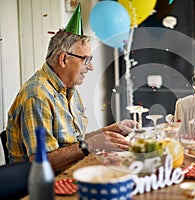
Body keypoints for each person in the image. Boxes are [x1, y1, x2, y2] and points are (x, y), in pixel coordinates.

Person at [5, 3, 134, 173]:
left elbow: (73, 143)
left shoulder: (68, 89)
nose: (91, 67)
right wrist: (92, 144)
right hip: (41, 186)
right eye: (86, 60)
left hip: (71, 171)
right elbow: (41, 161)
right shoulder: (37, 96)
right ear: (64, 59)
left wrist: (107, 132)